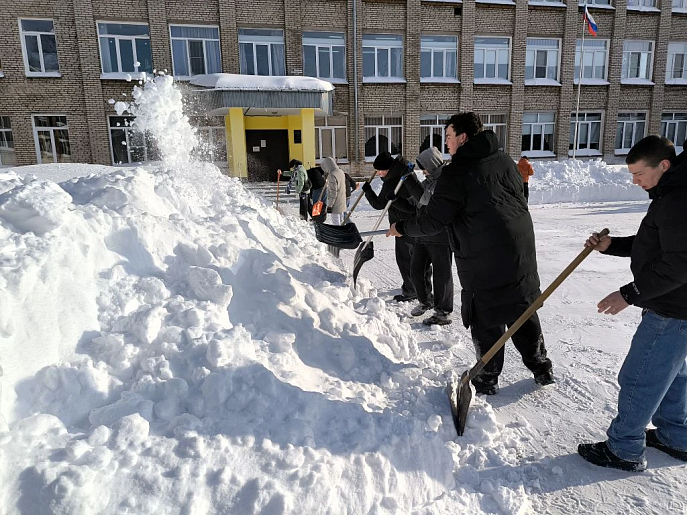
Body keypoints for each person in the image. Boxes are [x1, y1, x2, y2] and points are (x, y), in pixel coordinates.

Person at [387, 112, 553, 394]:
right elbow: (521, 199)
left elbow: (434, 221)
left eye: (449, 137)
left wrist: (401, 228)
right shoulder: (504, 160)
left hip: (483, 255)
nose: (446, 143)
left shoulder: (455, 173)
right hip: (520, 249)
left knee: (486, 313)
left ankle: (487, 377)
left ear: (463, 137)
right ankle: (541, 367)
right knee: (520, 305)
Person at [577, 135, 687, 472]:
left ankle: (624, 448)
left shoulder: (677, 199)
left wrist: (628, 294)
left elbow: (678, 264)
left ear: (663, 165)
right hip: (679, 308)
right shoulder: (674, 191)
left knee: (641, 377)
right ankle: (675, 436)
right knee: (673, 375)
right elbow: (657, 243)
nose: (635, 181)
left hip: (671, 309)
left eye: (639, 174)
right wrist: (611, 245)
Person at [362, 151, 427, 302]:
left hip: (402, 225)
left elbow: (379, 204)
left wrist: (368, 191)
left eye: (380, 170)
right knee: (418, 257)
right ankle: (420, 287)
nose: (379, 173)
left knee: (405, 259)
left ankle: (411, 290)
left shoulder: (392, 182)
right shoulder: (405, 173)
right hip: (414, 223)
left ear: (388, 168)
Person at [403, 146, 454, 326]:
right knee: (416, 270)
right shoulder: (429, 180)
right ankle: (426, 301)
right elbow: (416, 201)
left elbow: (426, 199)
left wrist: (410, 180)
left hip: (440, 236)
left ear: (431, 164)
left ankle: (442, 312)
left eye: (424, 166)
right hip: (423, 234)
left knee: (442, 275)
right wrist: (397, 199)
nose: (422, 170)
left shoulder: (444, 180)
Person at [320, 157, 347, 226]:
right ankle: (342, 231)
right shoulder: (341, 172)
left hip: (335, 204)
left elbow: (333, 192)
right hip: (342, 201)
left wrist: (330, 205)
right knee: (341, 221)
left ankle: (338, 232)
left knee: (336, 223)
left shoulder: (332, 175)